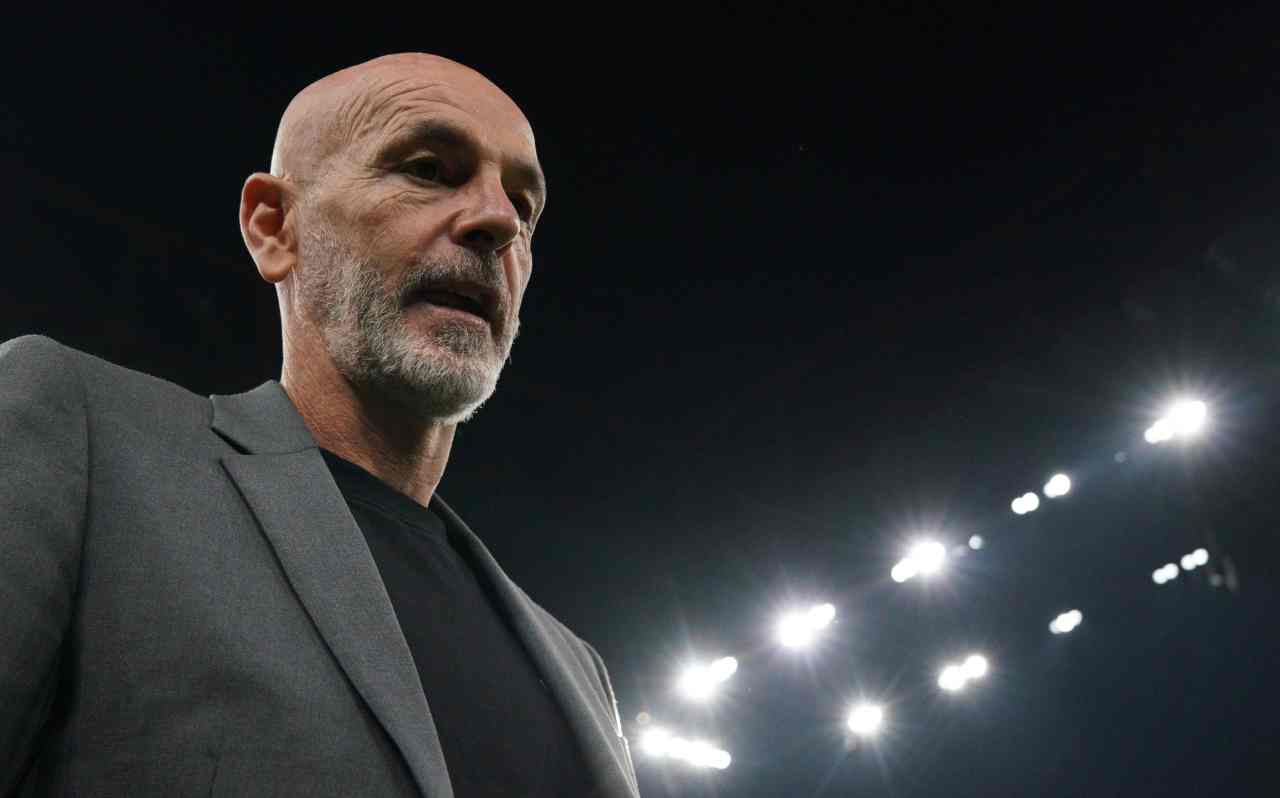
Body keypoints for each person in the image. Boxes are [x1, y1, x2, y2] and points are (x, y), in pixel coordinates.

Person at [0, 53, 639, 797]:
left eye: (523, 206)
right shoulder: (82, 438)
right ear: (275, 227)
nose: (498, 221)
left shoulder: (582, 672)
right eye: (429, 169)